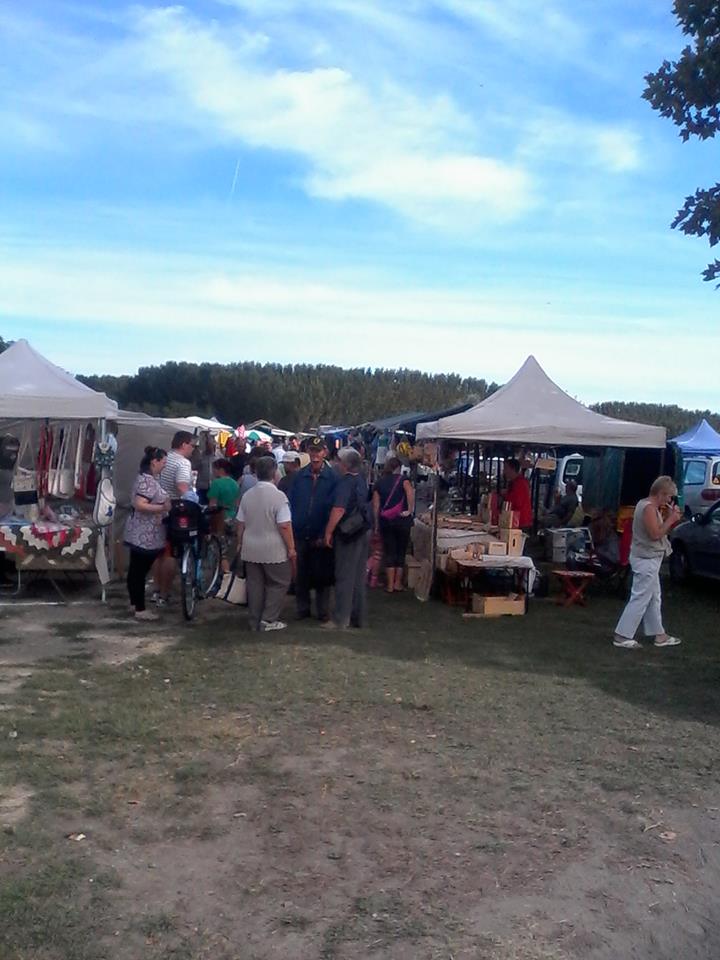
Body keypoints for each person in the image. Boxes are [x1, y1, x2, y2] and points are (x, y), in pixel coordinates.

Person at [613, 476, 683, 650]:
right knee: (640, 597)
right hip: (646, 559)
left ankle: (659, 634)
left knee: (653, 598)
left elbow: (658, 531)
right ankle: (622, 635)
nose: (669, 500)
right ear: (661, 493)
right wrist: (671, 519)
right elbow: (655, 534)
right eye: (669, 496)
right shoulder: (649, 508)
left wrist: (669, 518)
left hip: (648, 558)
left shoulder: (646, 506)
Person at [236, 456, 296, 632]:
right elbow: (284, 525)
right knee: (279, 582)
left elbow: (240, 522)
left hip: (251, 547)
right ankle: (268, 618)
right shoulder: (279, 497)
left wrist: (239, 542)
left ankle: (254, 619)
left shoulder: (247, 495)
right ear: (274, 472)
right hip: (273, 548)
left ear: (255, 473)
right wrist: (291, 548)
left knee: (255, 584)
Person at [289, 437, 337, 622]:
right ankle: (303, 609)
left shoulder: (333, 478)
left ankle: (323, 611)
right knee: (301, 574)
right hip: (301, 532)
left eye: (318, 451)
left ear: (325, 452)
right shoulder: (299, 476)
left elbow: (335, 507)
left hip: (321, 534)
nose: (315, 455)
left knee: (322, 575)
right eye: (312, 451)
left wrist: (326, 533)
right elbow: (292, 501)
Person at [323, 447, 370, 629]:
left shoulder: (345, 482)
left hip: (347, 533)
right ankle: (359, 617)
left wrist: (328, 531)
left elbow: (339, 509)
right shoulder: (361, 480)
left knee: (344, 576)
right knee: (358, 577)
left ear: (344, 464)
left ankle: (340, 618)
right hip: (361, 530)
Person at [123, 447, 172, 621]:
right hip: (145, 534)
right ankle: (140, 608)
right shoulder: (147, 481)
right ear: (154, 462)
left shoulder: (145, 478)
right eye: (163, 462)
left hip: (141, 531)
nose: (164, 465)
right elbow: (140, 504)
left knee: (136, 570)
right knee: (139, 571)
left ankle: (134, 603)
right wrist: (162, 507)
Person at [154, 430, 195, 605]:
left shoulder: (164, 458)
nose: (193, 449)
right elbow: (182, 486)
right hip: (173, 510)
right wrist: (193, 499)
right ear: (184, 444)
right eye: (192, 445)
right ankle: (164, 593)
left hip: (156, 509)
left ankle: (156, 589)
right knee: (170, 553)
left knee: (158, 553)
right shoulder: (183, 463)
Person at [372, 457, 415, 593]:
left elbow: (376, 506)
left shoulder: (379, 483)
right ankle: (397, 583)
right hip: (402, 520)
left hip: (385, 521)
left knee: (389, 551)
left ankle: (389, 585)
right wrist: (409, 510)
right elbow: (410, 493)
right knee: (401, 551)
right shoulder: (404, 480)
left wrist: (376, 524)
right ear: (399, 467)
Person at [208, 458, 240, 573]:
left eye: (214, 469)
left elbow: (213, 504)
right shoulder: (235, 483)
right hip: (233, 518)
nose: (213, 471)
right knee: (229, 548)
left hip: (220, 518)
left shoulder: (216, 483)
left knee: (221, 550)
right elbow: (237, 503)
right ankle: (229, 571)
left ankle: (222, 574)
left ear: (220, 470)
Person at [503, 458, 532, 532]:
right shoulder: (515, 482)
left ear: (513, 469)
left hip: (521, 521)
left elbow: (518, 502)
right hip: (517, 520)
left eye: (506, 468)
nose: (504, 471)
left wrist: (505, 497)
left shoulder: (520, 483)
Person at [195, 433, 216, 505]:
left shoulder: (218, 456)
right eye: (207, 444)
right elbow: (194, 466)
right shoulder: (200, 456)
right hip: (202, 486)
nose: (209, 446)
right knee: (201, 504)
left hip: (214, 486)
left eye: (211, 444)